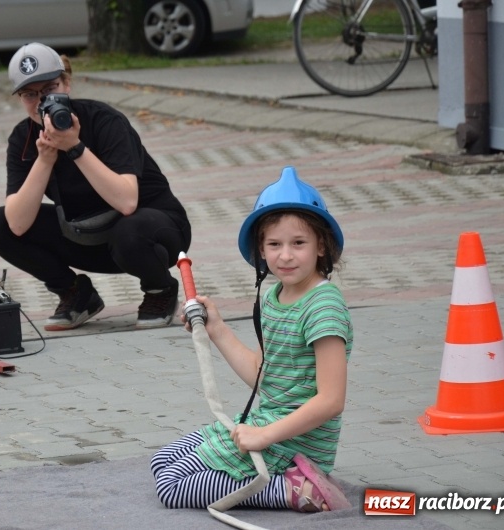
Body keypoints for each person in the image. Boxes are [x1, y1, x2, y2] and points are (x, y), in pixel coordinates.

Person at [150, 166, 353, 512]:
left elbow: (331, 400)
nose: (285, 255)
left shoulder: (324, 306)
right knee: (162, 461)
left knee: (171, 486)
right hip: (268, 425)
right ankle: (285, 481)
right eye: (274, 244)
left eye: (298, 243)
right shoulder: (274, 297)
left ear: (322, 246)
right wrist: (217, 328)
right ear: (260, 249)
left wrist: (263, 436)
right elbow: (264, 373)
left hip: (296, 443)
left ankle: (296, 490)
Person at [0, 43, 191, 331]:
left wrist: (74, 147)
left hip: (154, 233)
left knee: (129, 230)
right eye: (30, 94)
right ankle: (75, 294)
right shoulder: (22, 139)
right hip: (90, 236)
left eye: (49, 89)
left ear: (67, 83)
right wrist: (45, 159)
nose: (41, 101)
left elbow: (127, 201)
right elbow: (17, 225)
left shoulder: (104, 121)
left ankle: (160, 290)